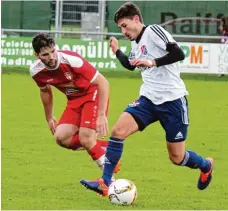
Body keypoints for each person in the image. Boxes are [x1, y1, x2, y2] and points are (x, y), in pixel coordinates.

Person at [80, 2, 214, 196]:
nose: (123, 31)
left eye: (125, 26)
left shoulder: (153, 31)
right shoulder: (135, 43)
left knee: (177, 157)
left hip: (173, 101)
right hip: (148, 100)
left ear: (136, 19)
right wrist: (117, 51)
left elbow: (178, 53)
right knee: (118, 131)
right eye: (120, 28)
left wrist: (152, 61)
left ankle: (205, 165)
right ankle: (105, 182)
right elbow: (131, 65)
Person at [30, 33, 120, 174]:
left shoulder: (71, 60)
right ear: (37, 55)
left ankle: (108, 181)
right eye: (45, 54)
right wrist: (49, 117)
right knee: (61, 138)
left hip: (92, 94)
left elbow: (103, 83)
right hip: (74, 101)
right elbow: (45, 91)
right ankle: (107, 147)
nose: (52, 57)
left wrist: (101, 115)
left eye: (53, 51)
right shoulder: (36, 71)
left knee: (86, 138)